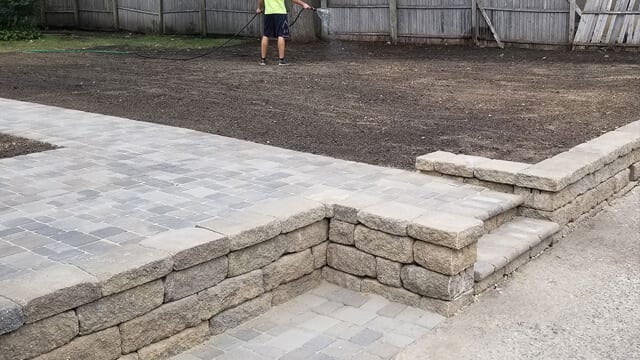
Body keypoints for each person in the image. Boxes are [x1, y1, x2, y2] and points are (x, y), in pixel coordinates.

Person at [256, 0, 311, 65]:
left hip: (268, 13)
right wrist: (303, 4)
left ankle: (263, 60)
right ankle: (281, 60)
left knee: (266, 35)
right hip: (280, 13)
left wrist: (259, 8)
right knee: (281, 35)